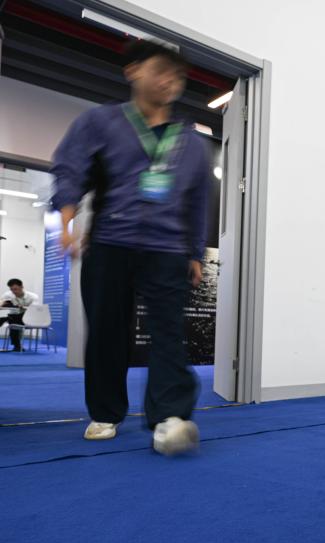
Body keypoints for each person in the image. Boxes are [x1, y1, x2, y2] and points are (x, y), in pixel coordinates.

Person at [51, 40, 209, 455]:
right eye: (161, 71)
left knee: (169, 333)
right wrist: (66, 222)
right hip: (110, 242)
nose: (170, 81)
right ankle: (106, 412)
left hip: (168, 248)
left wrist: (195, 252)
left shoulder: (191, 142)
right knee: (106, 331)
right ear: (133, 71)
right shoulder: (100, 122)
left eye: (177, 76)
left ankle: (170, 416)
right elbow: (71, 169)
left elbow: (196, 201)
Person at [0, 278, 39, 352]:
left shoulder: (33, 296)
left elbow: (34, 309)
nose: (13, 292)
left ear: (22, 287)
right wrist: (2, 304)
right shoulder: (8, 295)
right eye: (11, 289)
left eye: (15, 289)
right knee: (13, 321)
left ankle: (17, 345)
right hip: (14, 316)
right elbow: (1, 303)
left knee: (13, 321)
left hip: (29, 317)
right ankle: (17, 345)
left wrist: (23, 307)